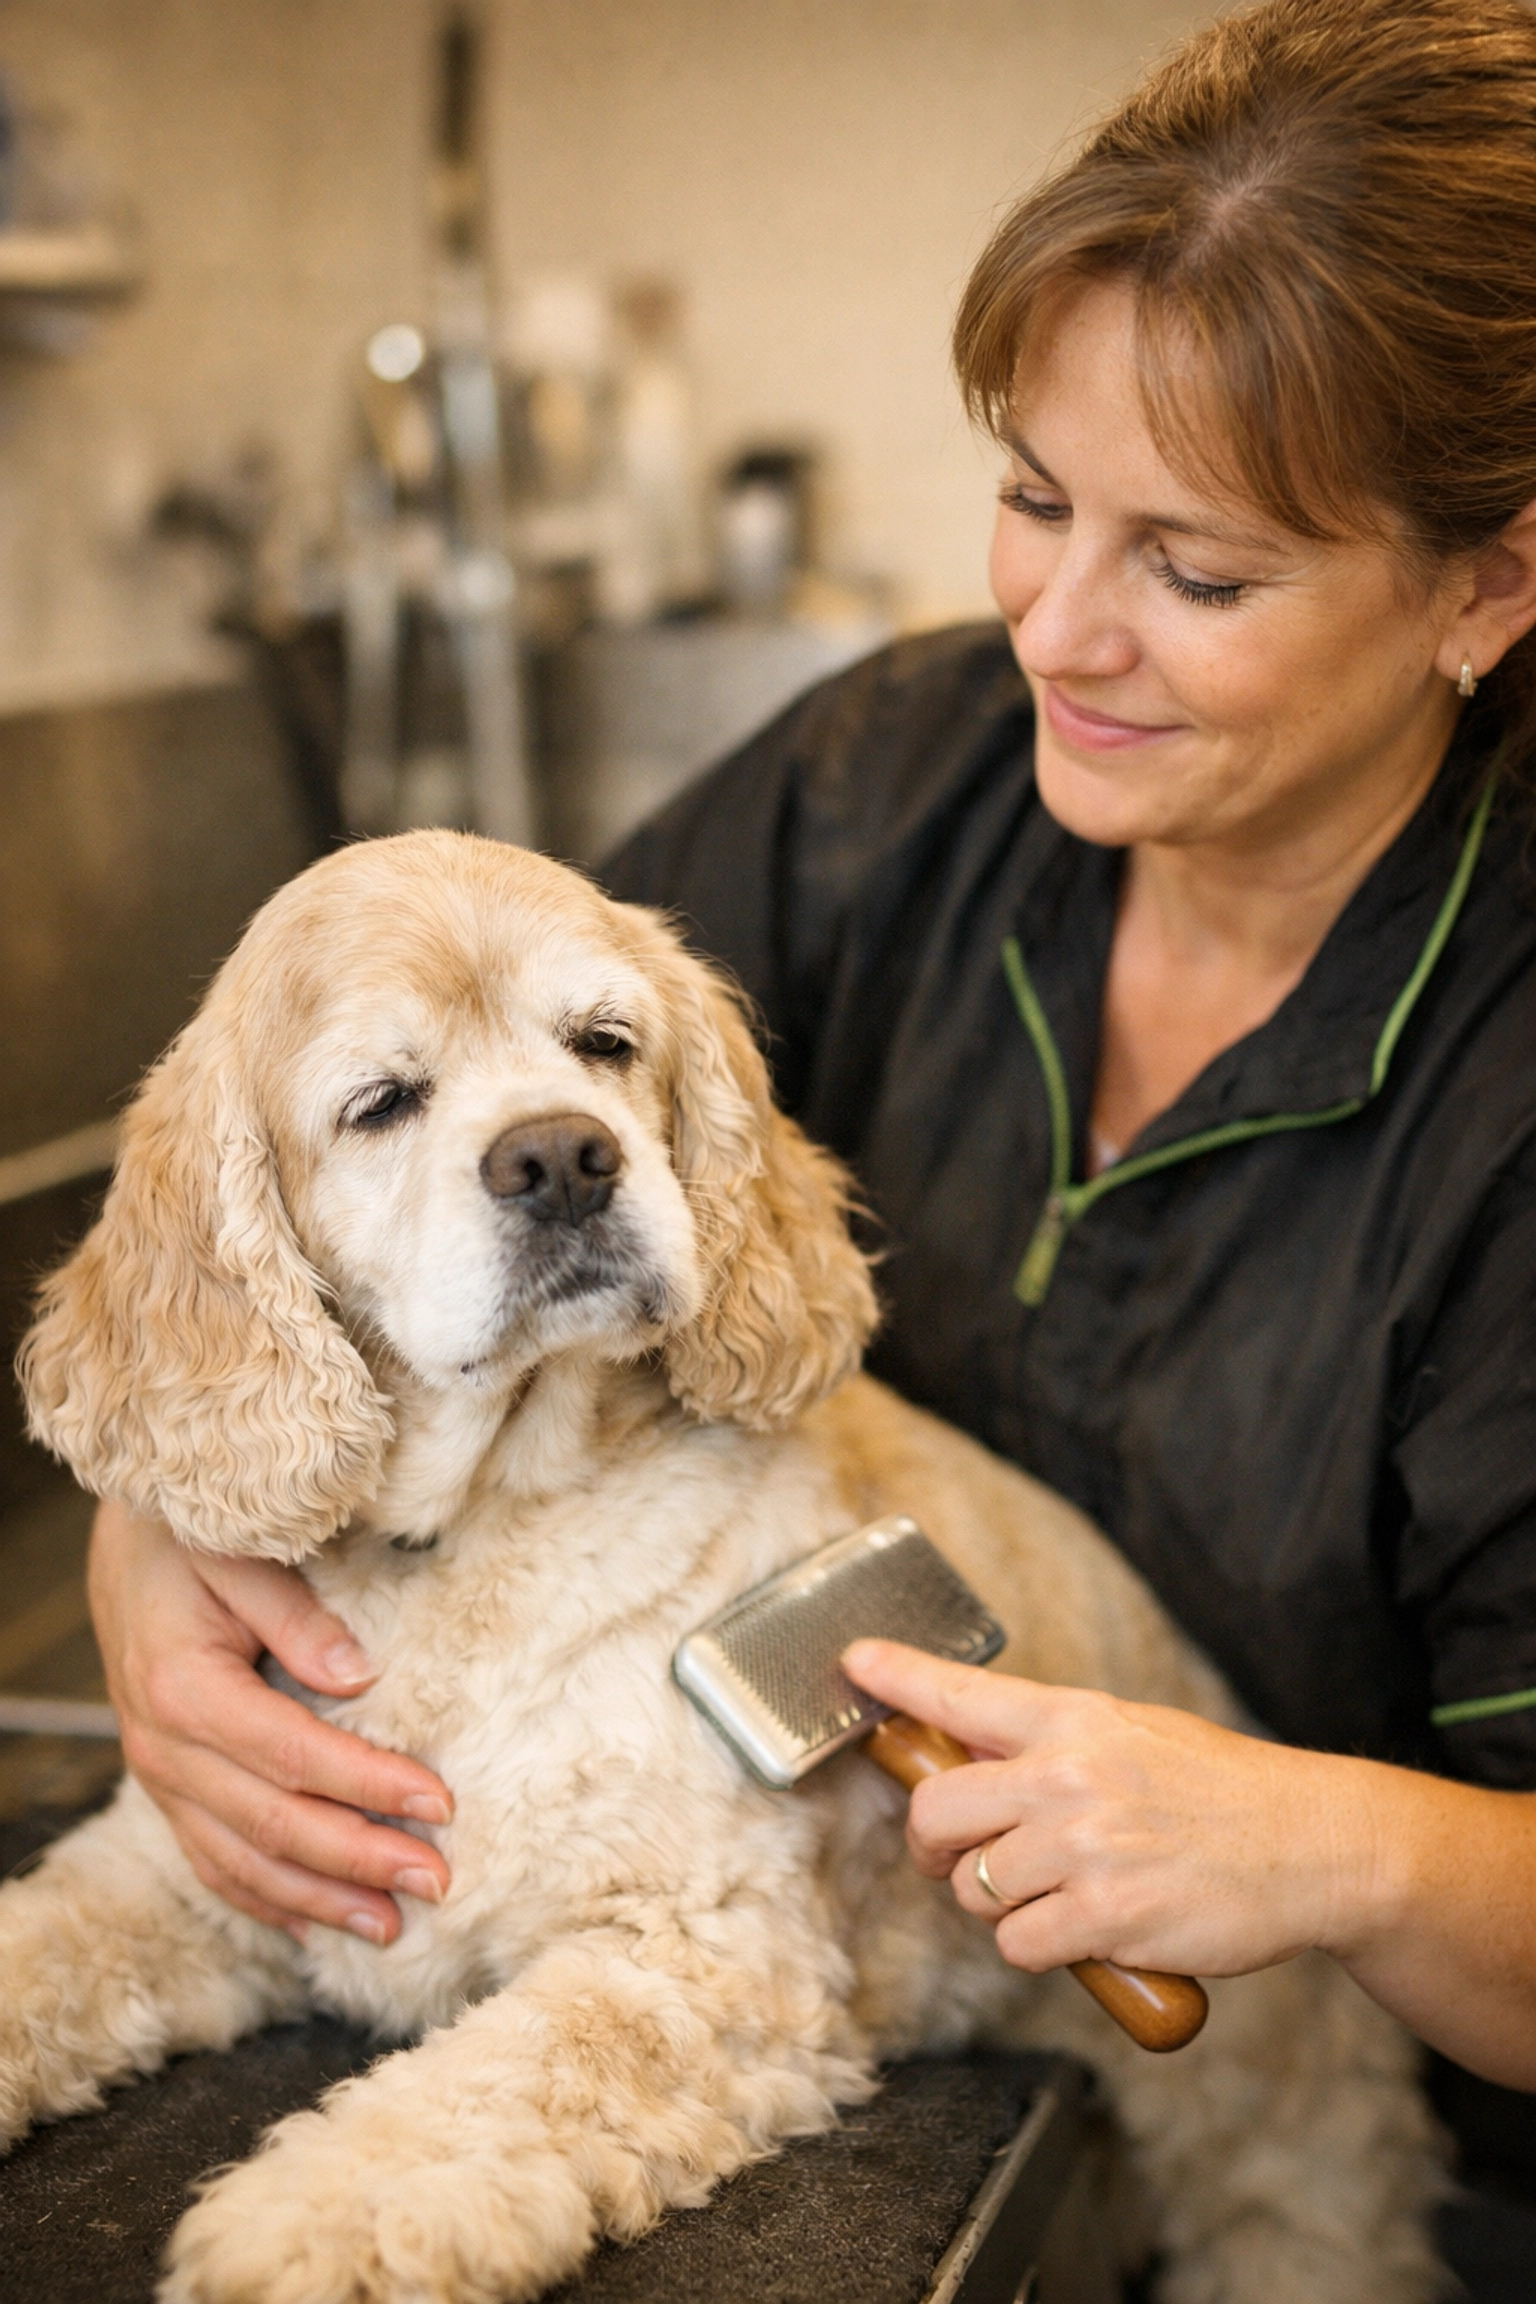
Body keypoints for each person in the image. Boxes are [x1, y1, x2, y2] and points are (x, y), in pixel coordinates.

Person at [85, 0, 1536, 2288]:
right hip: (920, 2014)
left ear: (1490, 582)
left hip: (1405, 2149)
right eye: (1038, 500)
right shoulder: (900, 772)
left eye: (1203, 570)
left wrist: (1336, 1849)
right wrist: (165, 1546)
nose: (1061, 629)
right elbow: (433, 1129)